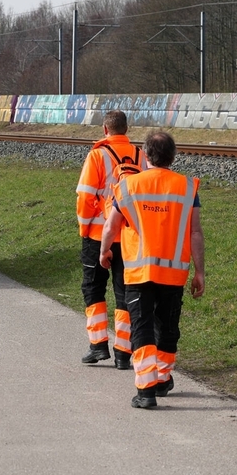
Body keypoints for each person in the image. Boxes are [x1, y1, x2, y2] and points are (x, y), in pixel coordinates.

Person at [99, 131, 205, 409]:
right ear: (173, 157)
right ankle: (162, 379)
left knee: (142, 326)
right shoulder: (187, 187)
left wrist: (104, 250)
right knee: (168, 326)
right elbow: (195, 232)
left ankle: (145, 391)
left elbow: (110, 226)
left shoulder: (127, 186)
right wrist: (200, 272)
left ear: (145, 157)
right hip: (173, 273)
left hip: (138, 271)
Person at [76, 110, 147, 369]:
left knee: (93, 288)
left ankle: (97, 346)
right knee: (124, 292)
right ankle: (122, 352)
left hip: (97, 235)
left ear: (105, 130)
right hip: (128, 237)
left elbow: (85, 197)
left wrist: (85, 228)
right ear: (126, 130)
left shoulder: (97, 155)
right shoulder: (141, 156)